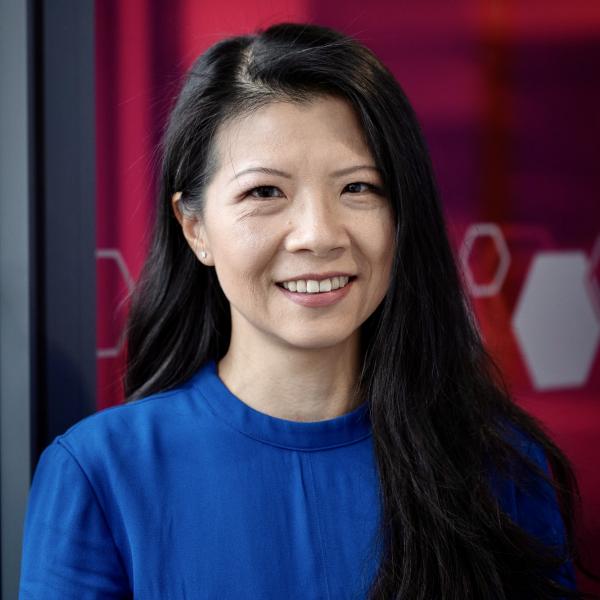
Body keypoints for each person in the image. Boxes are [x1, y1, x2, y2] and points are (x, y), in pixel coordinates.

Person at [19, 21, 593, 599]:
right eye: (264, 193)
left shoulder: (498, 463)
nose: (318, 236)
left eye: (359, 188)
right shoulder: (98, 474)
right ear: (195, 228)